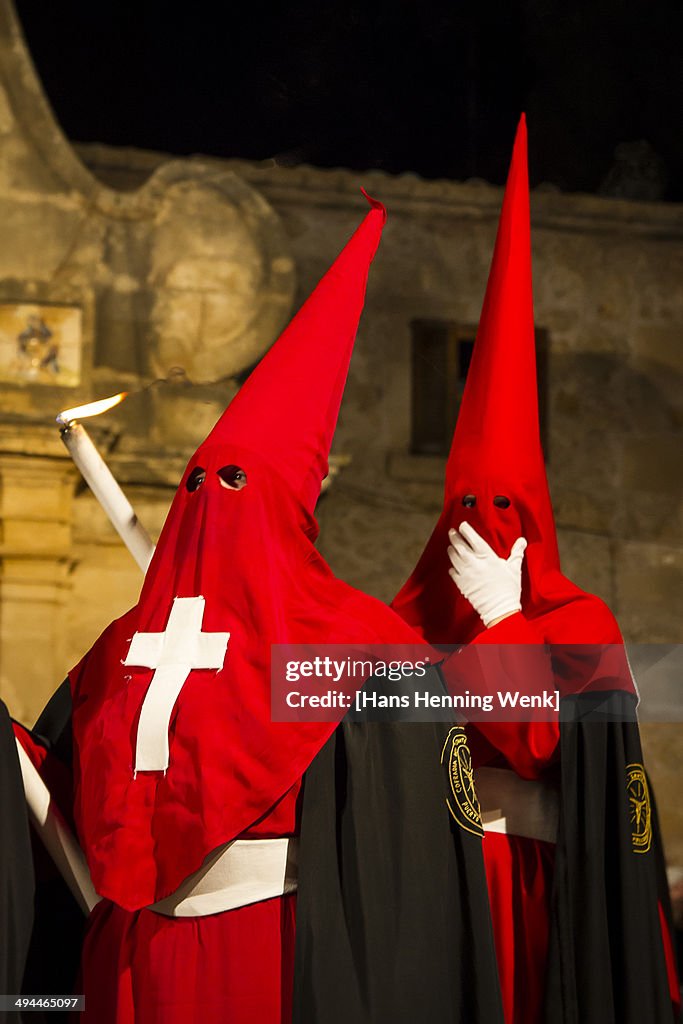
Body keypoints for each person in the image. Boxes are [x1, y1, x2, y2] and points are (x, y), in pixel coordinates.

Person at [14, 193, 504, 1024]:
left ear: (287, 509)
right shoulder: (123, 644)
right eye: (198, 484)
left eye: (237, 485)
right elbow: (59, 781)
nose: (212, 501)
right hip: (132, 959)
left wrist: (506, 632)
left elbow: (417, 837)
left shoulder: (352, 642)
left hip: (276, 954)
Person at [392, 115, 680, 1024]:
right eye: (464, 507)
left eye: (504, 508)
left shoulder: (583, 621)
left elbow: (544, 751)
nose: (480, 524)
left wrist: (501, 625)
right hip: (428, 892)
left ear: (539, 526)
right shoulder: (400, 625)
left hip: (536, 890)